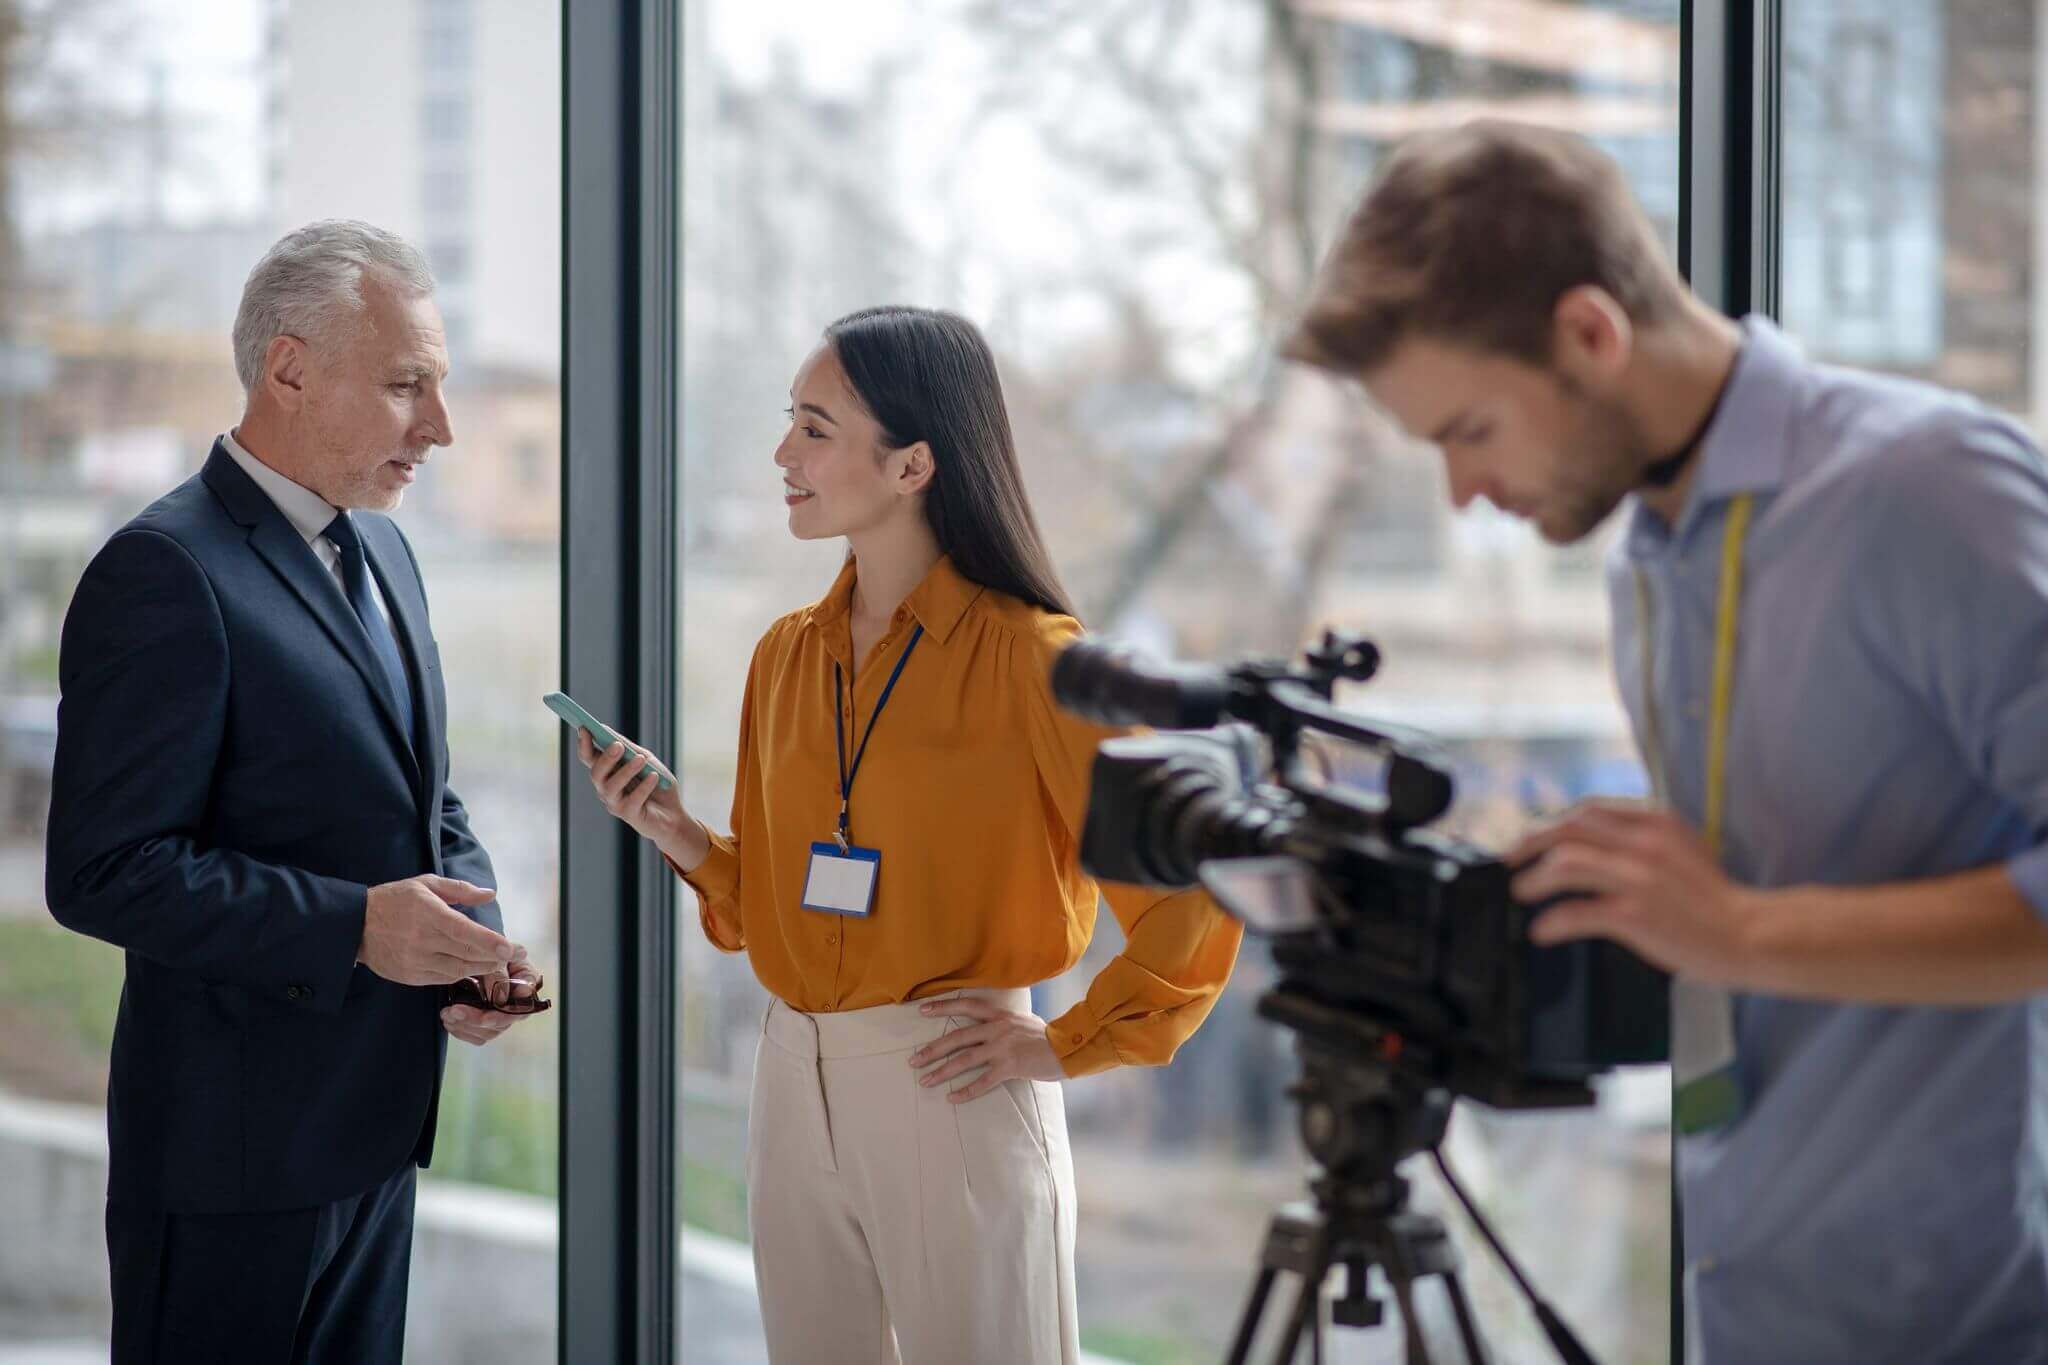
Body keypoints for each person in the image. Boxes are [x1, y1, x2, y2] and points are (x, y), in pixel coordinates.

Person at [1283, 119, 2048, 1363]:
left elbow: (1743, 928)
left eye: (1467, 430)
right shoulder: (1642, 558)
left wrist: (1739, 932)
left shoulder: (1929, 488)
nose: (1462, 495)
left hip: (1969, 1325)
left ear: (1590, 332)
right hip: (1744, 1302)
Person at [577, 305, 1244, 1364]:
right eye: (788, 423)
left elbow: (1192, 890)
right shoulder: (784, 657)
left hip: (953, 1083)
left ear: (911, 465)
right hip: (789, 1076)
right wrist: (679, 832)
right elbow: (770, 911)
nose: (781, 454)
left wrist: (1064, 1044)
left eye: (813, 427)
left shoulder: (1039, 660)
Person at [44, 220, 544, 1364]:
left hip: (374, 1146)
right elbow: (102, 871)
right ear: (288, 368)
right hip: (228, 1167)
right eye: (408, 384)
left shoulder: (388, 551)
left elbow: (427, 801)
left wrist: (480, 940)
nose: (443, 428)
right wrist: (357, 929)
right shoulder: (163, 570)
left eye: (442, 386)